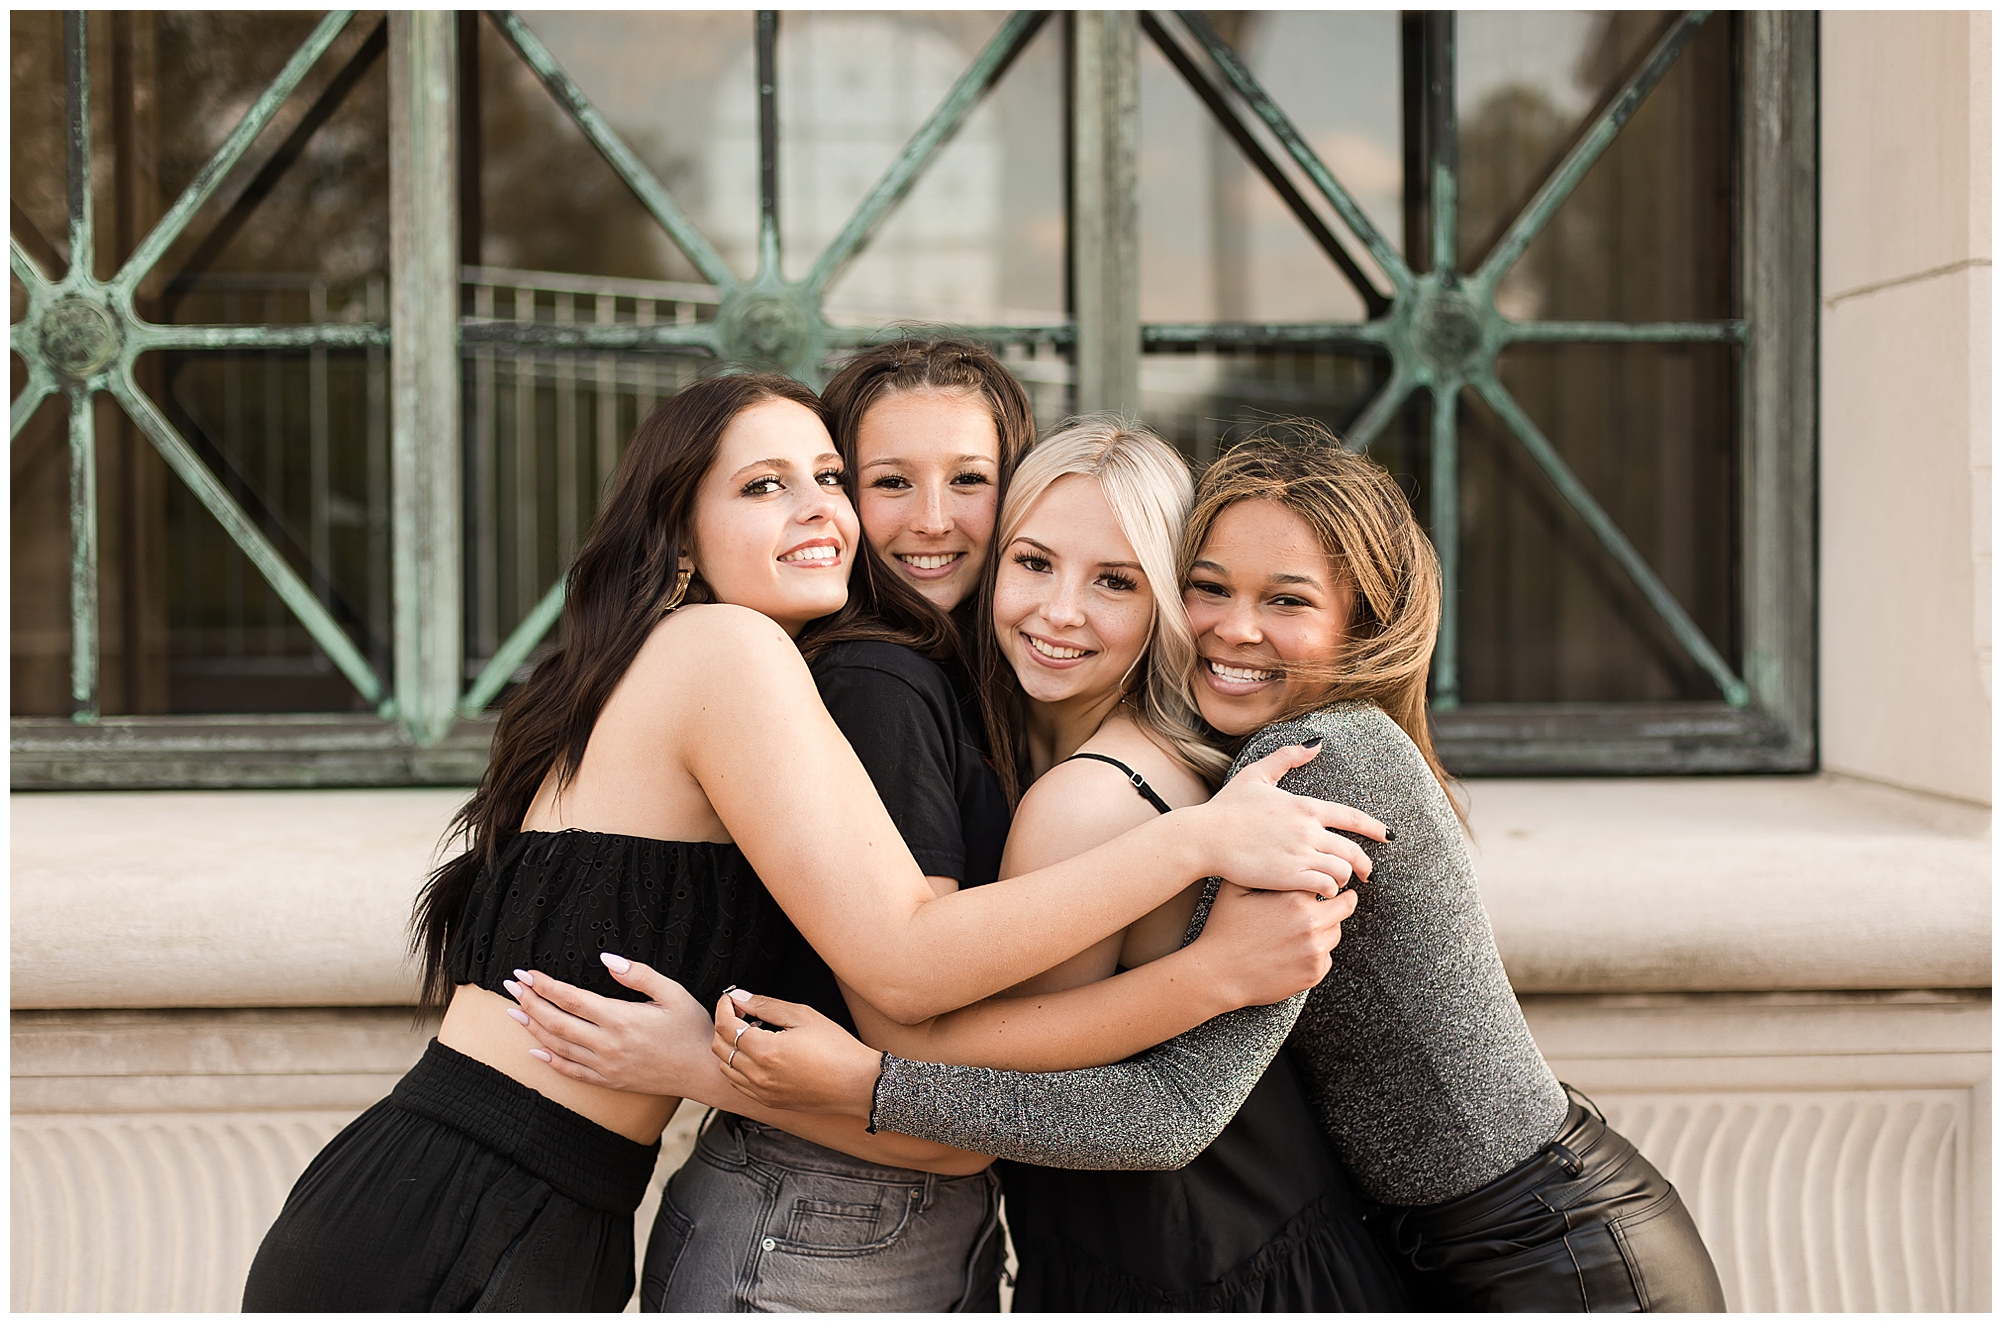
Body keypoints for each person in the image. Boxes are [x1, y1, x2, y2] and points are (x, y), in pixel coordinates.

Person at [239, 378, 1378, 1312]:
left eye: (829, 478)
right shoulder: (727, 650)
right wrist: (1200, 854)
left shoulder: (739, 669)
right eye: (764, 485)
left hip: (537, 1207)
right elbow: (906, 965)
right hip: (464, 1208)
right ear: (679, 534)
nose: (822, 509)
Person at [713, 427, 1730, 1312]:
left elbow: (1170, 1114)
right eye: (1210, 589)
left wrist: (869, 1083)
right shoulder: (1214, 757)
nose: (1234, 629)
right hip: (1427, 1241)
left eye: (1284, 600)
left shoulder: (1311, 765)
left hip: (1554, 1255)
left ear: (1361, 626)